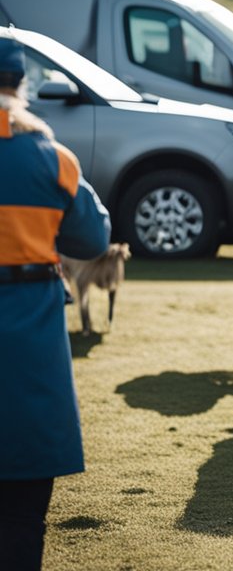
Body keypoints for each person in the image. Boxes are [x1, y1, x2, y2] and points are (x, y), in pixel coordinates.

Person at [0, 35, 110, 570]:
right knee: (22, 517)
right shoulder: (53, 159)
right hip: (30, 347)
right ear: (20, 86)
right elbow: (92, 239)